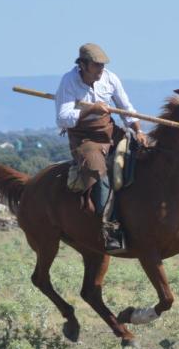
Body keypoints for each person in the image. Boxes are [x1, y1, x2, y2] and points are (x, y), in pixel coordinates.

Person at [55, 43, 147, 253]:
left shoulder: (110, 78)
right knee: (100, 174)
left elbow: (126, 109)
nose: (100, 70)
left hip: (110, 130)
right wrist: (90, 110)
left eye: (102, 66)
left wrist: (138, 130)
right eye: (96, 66)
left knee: (145, 154)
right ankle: (110, 229)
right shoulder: (68, 82)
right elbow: (62, 119)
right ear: (83, 65)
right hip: (84, 137)